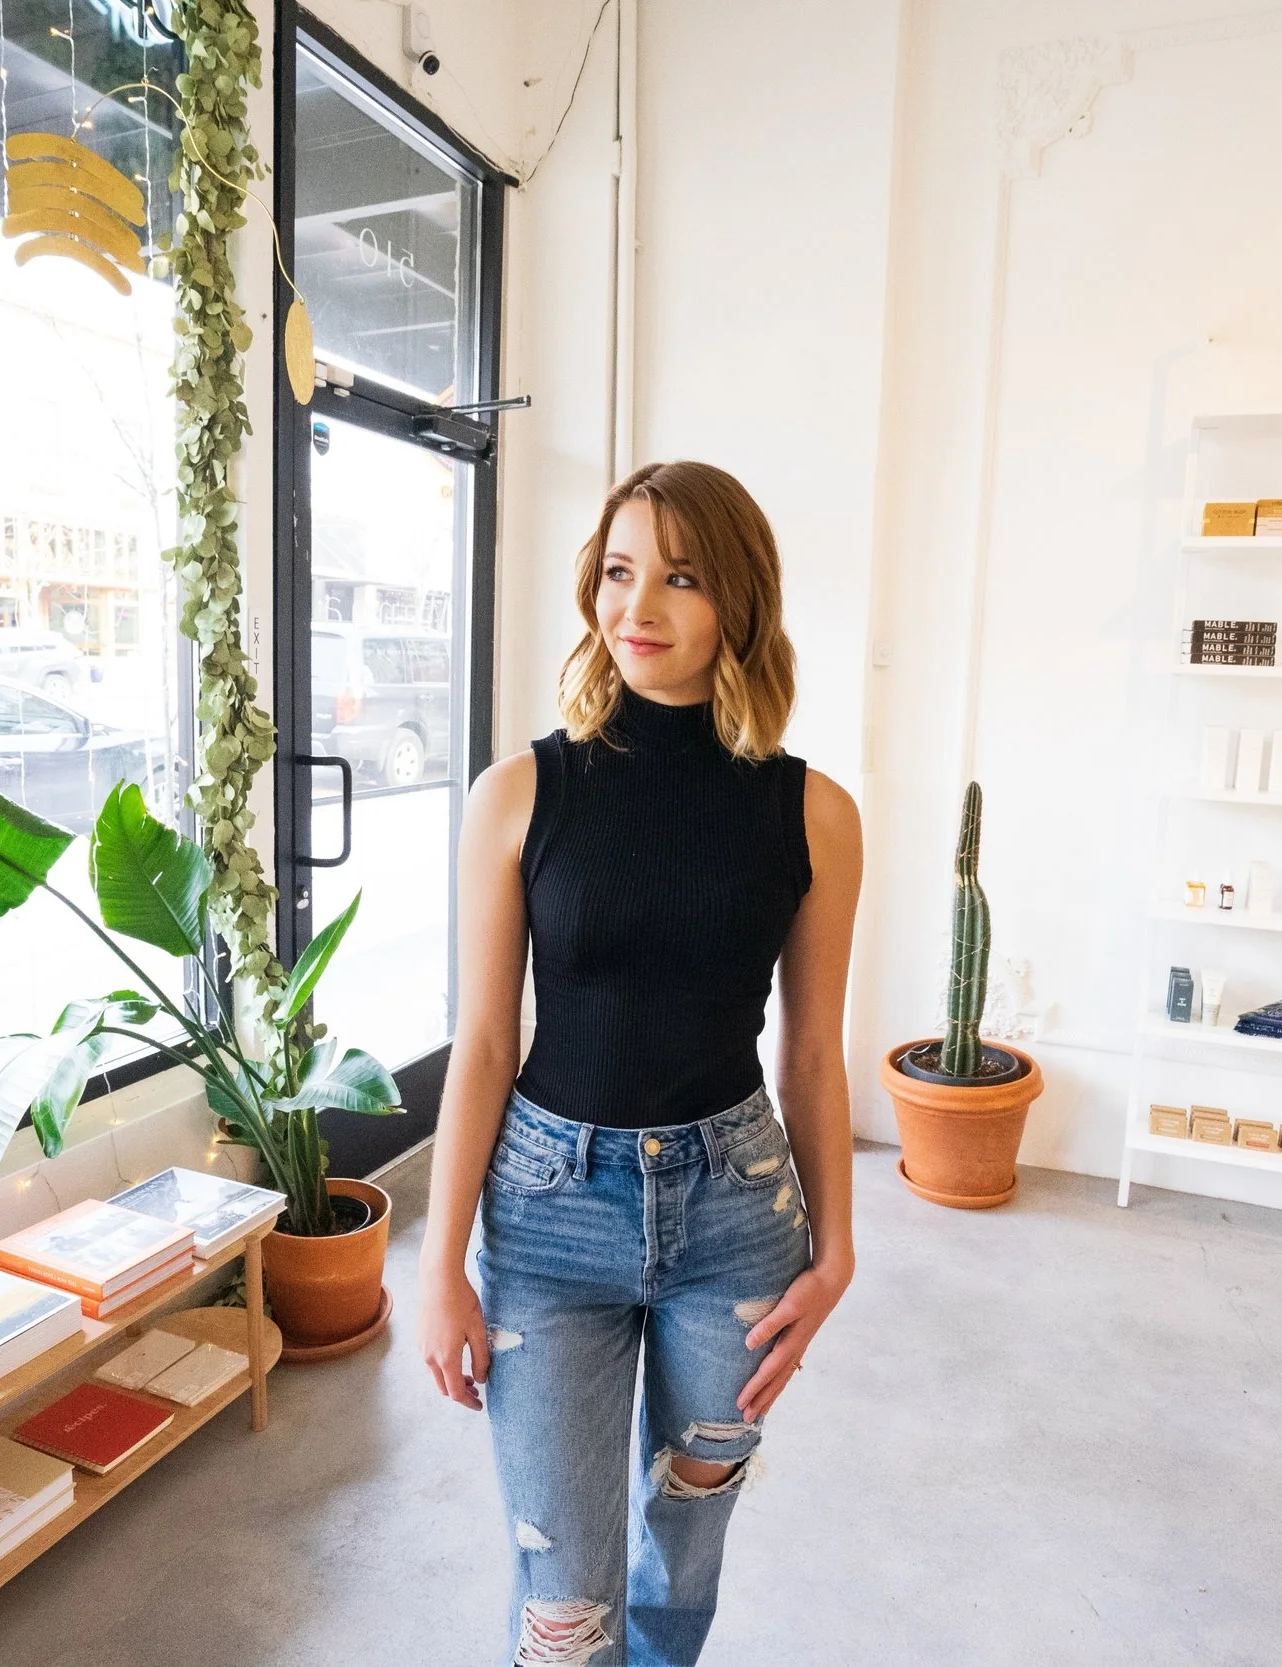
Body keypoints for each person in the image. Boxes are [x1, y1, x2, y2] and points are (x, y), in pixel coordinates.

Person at [417, 460, 863, 1666]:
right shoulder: (519, 794)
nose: (637, 606)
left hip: (736, 1216)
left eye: (678, 574)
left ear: (739, 602)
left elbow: (812, 1053)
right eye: (618, 571)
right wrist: (439, 1260)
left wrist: (836, 1248)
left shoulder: (813, 811)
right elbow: (487, 1044)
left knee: (686, 1534)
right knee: (561, 1591)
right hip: (549, 1218)